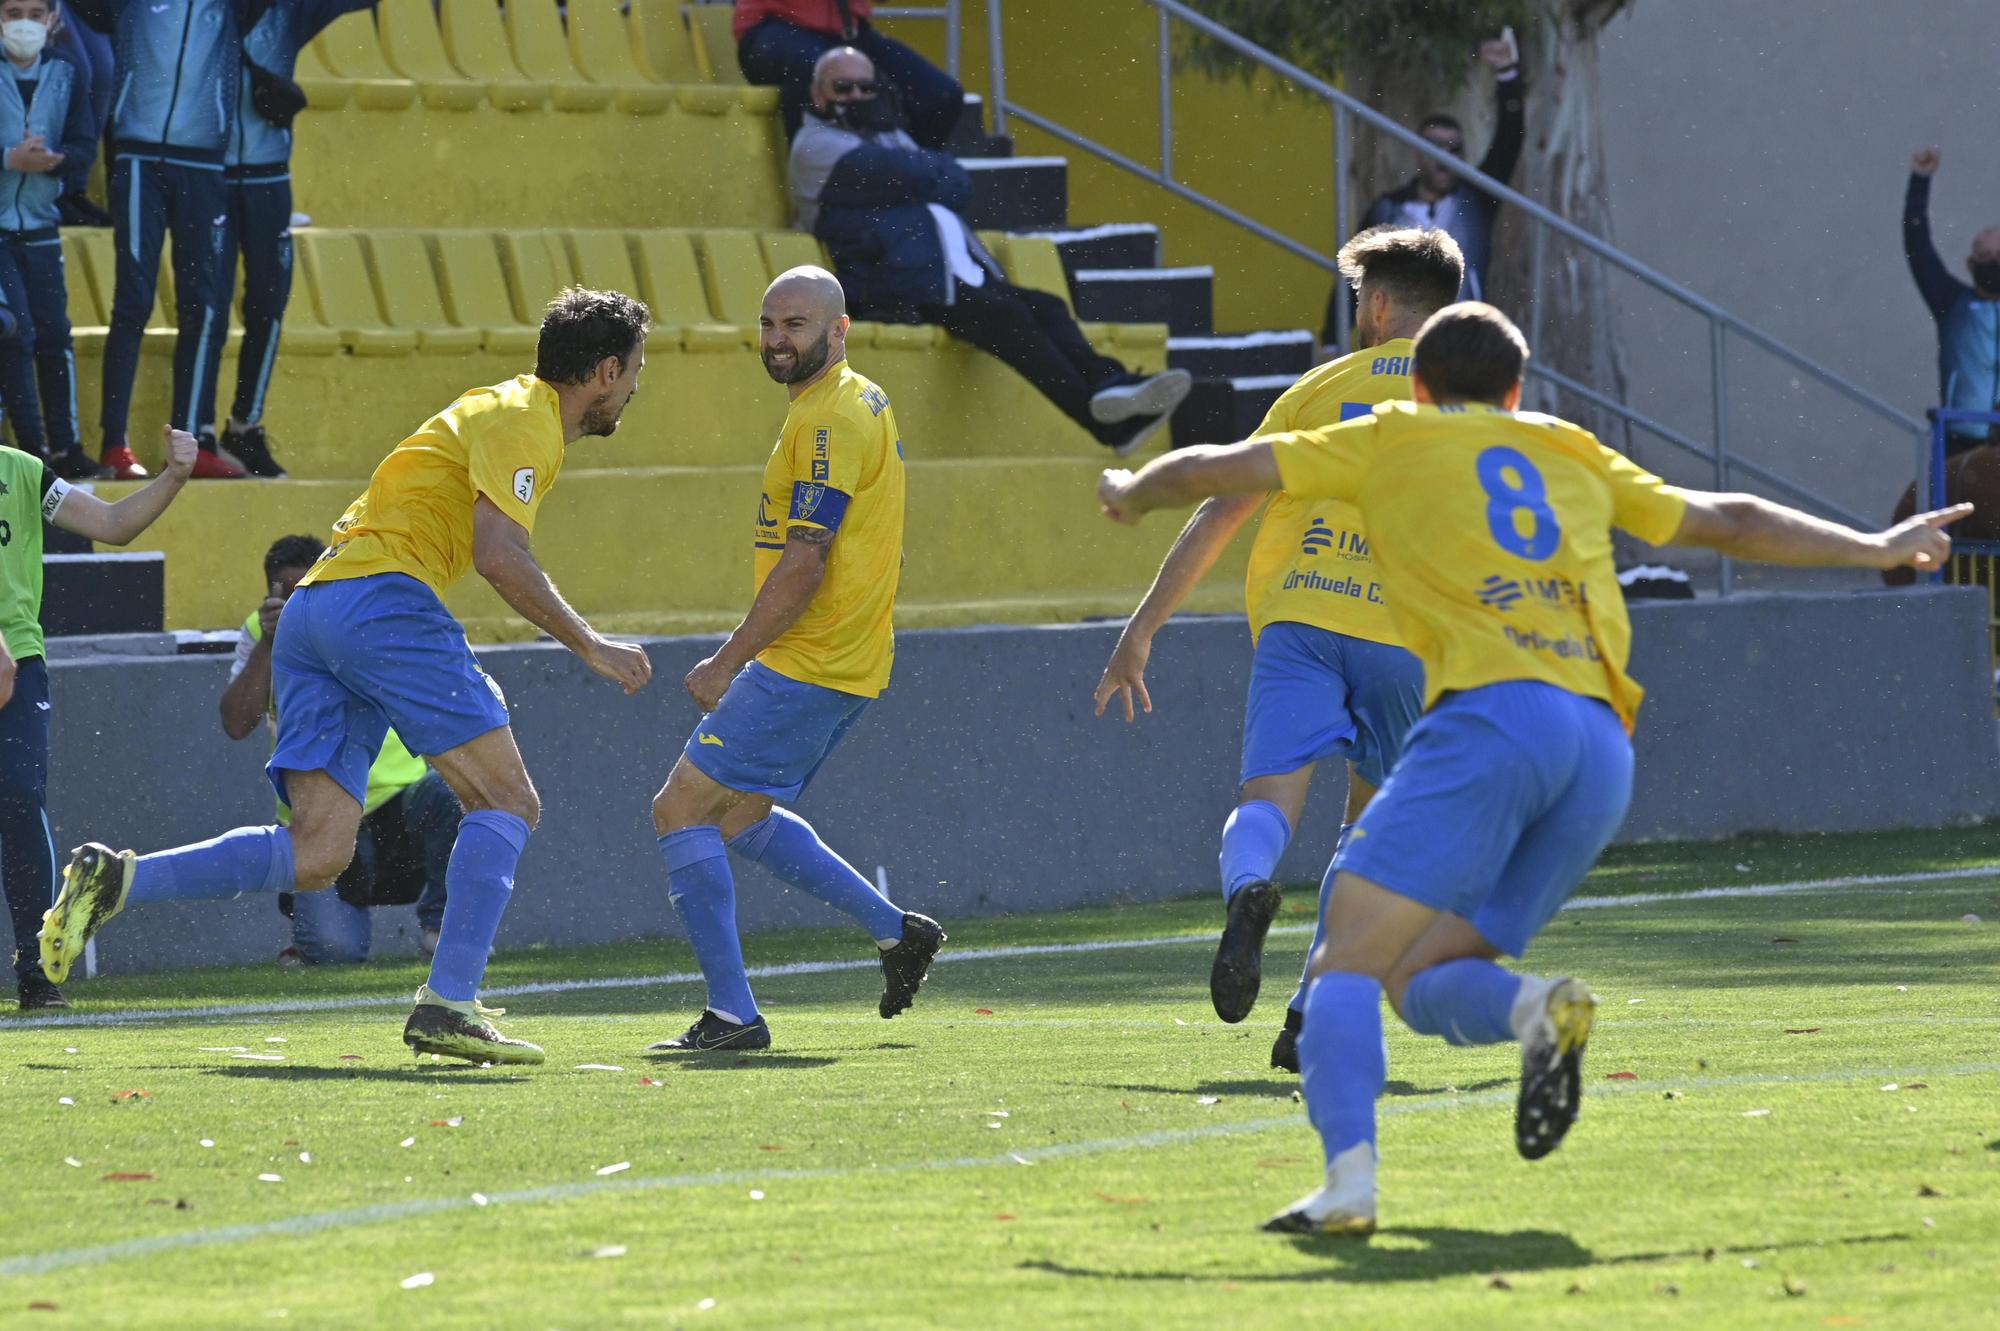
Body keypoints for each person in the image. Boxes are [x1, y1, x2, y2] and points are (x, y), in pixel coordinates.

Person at [1095, 301, 1966, 1235]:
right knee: (1423, 976)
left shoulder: (1395, 437)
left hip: (1491, 719)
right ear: (1516, 391)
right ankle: (1541, 1012)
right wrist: (1875, 546)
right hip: (1597, 746)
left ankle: (1348, 1185)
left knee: (1346, 957)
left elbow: (1225, 469)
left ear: (1422, 388)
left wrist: (1134, 484)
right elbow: (1729, 517)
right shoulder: (1568, 447)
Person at [38, 288, 656, 1065]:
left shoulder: (496, 405)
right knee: (509, 799)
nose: (635, 387)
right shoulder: (528, 419)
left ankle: (121, 881)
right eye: (634, 371)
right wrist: (590, 643)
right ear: (605, 370)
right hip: (382, 601)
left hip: (317, 608)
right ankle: (449, 1002)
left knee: (318, 850)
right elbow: (501, 554)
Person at [1094, 227, 1461, 1072]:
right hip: (1406, 635)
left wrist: (1142, 627)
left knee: (1266, 801)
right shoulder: (1472, 400)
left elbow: (1220, 505)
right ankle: (1305, 1015)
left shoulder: (1318, 387)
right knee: (1368, 833)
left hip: (1300, 618)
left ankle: (1247, 889)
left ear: (1373, 304)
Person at [647, 265, 942, 1053]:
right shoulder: (858, 401)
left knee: (679, 809)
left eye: (798, 325)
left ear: (838, 329)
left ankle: (732, 1016)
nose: (780, 339)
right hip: (847, 658)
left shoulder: (828, 421)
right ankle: (896, 932)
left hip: (808, 659)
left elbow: (805, 562)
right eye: (771, 323)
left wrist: (725, 661)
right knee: (737, 815)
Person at [791, 48, 1191, 457]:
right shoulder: (816, 146)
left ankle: (1110, 388)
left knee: (1047, 307)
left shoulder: (886, 137)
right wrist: (925, 171)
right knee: (1008, 317)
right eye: (843, 87)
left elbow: (957, 185)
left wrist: (923, 175)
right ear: (818, 93)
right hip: (891, 286)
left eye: (866, 86)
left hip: (938, 276)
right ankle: (1103, 420)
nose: (858, 96)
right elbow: (919, 175)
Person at [2, 426, 198, 1009]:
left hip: (22, 661)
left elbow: (113, 525)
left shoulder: (22, 470)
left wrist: (174, 476)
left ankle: (35, 969)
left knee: (16, 793)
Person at [221, 533, 461, 965]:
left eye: (312, 587)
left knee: (454, 792)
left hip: (397, 801)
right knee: (336, 952)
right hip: (318, 810)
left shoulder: (366, 619)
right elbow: (237, 723)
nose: (301, 601)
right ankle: (307, 933)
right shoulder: (260, 630)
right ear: (271, 593)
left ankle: (441, 929)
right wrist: (268, 643)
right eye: (289, 592)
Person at [67, 0, 270, 481]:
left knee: (202, 305)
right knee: (132, 301)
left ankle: (191, 445)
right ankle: (115, 445)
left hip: (202, 163)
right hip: (137, 158)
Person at [194, 0, 376, 480]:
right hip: (204, 171)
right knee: (207, 307)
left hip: (268, 177)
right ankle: (197, 431)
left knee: (268, 302)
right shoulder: (194, 10)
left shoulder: (288, 10)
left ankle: (243, 426)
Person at [1322, 33, 1523, 347]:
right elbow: (1355, 275)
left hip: (1462, 344)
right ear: (1416, 152)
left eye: (1454, 147)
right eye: (1434, 146)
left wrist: (1508, 75)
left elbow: (1509, 143)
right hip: (1397, 346)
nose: (1445, 155)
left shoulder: (1476, 201)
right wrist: (1331, 339)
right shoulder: (1386, 210)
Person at [0, 0, 96, 479]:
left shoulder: (68, 69)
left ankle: (66, 447)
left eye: (35, 13)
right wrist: (8, 159)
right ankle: (32, 451)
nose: (24, 23)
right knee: (16, 333)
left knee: (55, 335)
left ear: (52, 21)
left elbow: (85, 141)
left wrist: (57, 159)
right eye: (12, 11)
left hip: (41, 223)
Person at [735, 0, 964, 150]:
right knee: (817, 69)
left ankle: (903, 185)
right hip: (771, 29)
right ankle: (812, 194)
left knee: (941, 95)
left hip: (847, 31)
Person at [1905, 147, 2000, 454]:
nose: (1994, 263)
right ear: (1971, 265)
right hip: (1960, 439)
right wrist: (1920, 181)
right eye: (1986, 257)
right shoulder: (1952, 303)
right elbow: (1918, 249)